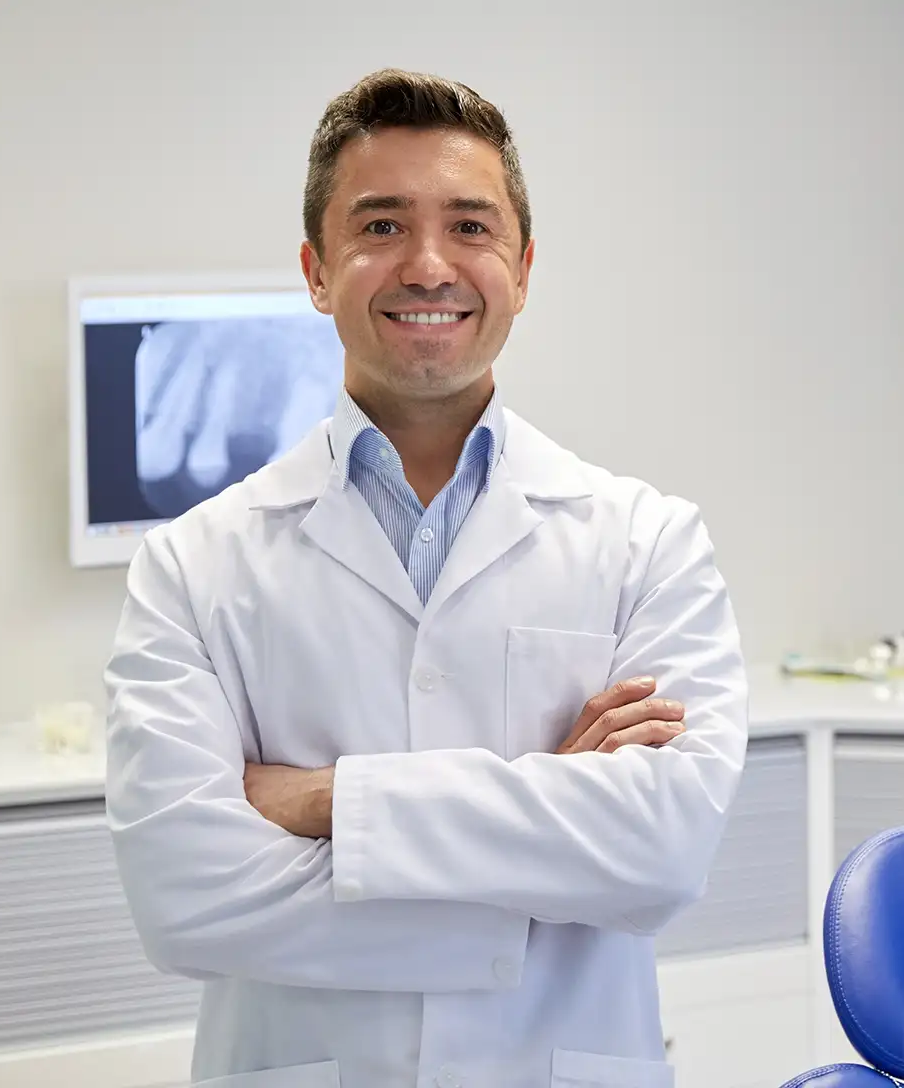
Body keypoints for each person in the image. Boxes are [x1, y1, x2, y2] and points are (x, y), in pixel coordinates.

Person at [105, 69, 748, 1088]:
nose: (428, 263)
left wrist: (325, 801)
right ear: (317, 270)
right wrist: (542, 852)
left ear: (523, 267)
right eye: (381, 225)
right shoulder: (192, 563)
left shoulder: (644, 541)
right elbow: (182, 897)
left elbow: (661, 854)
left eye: (469, 226)